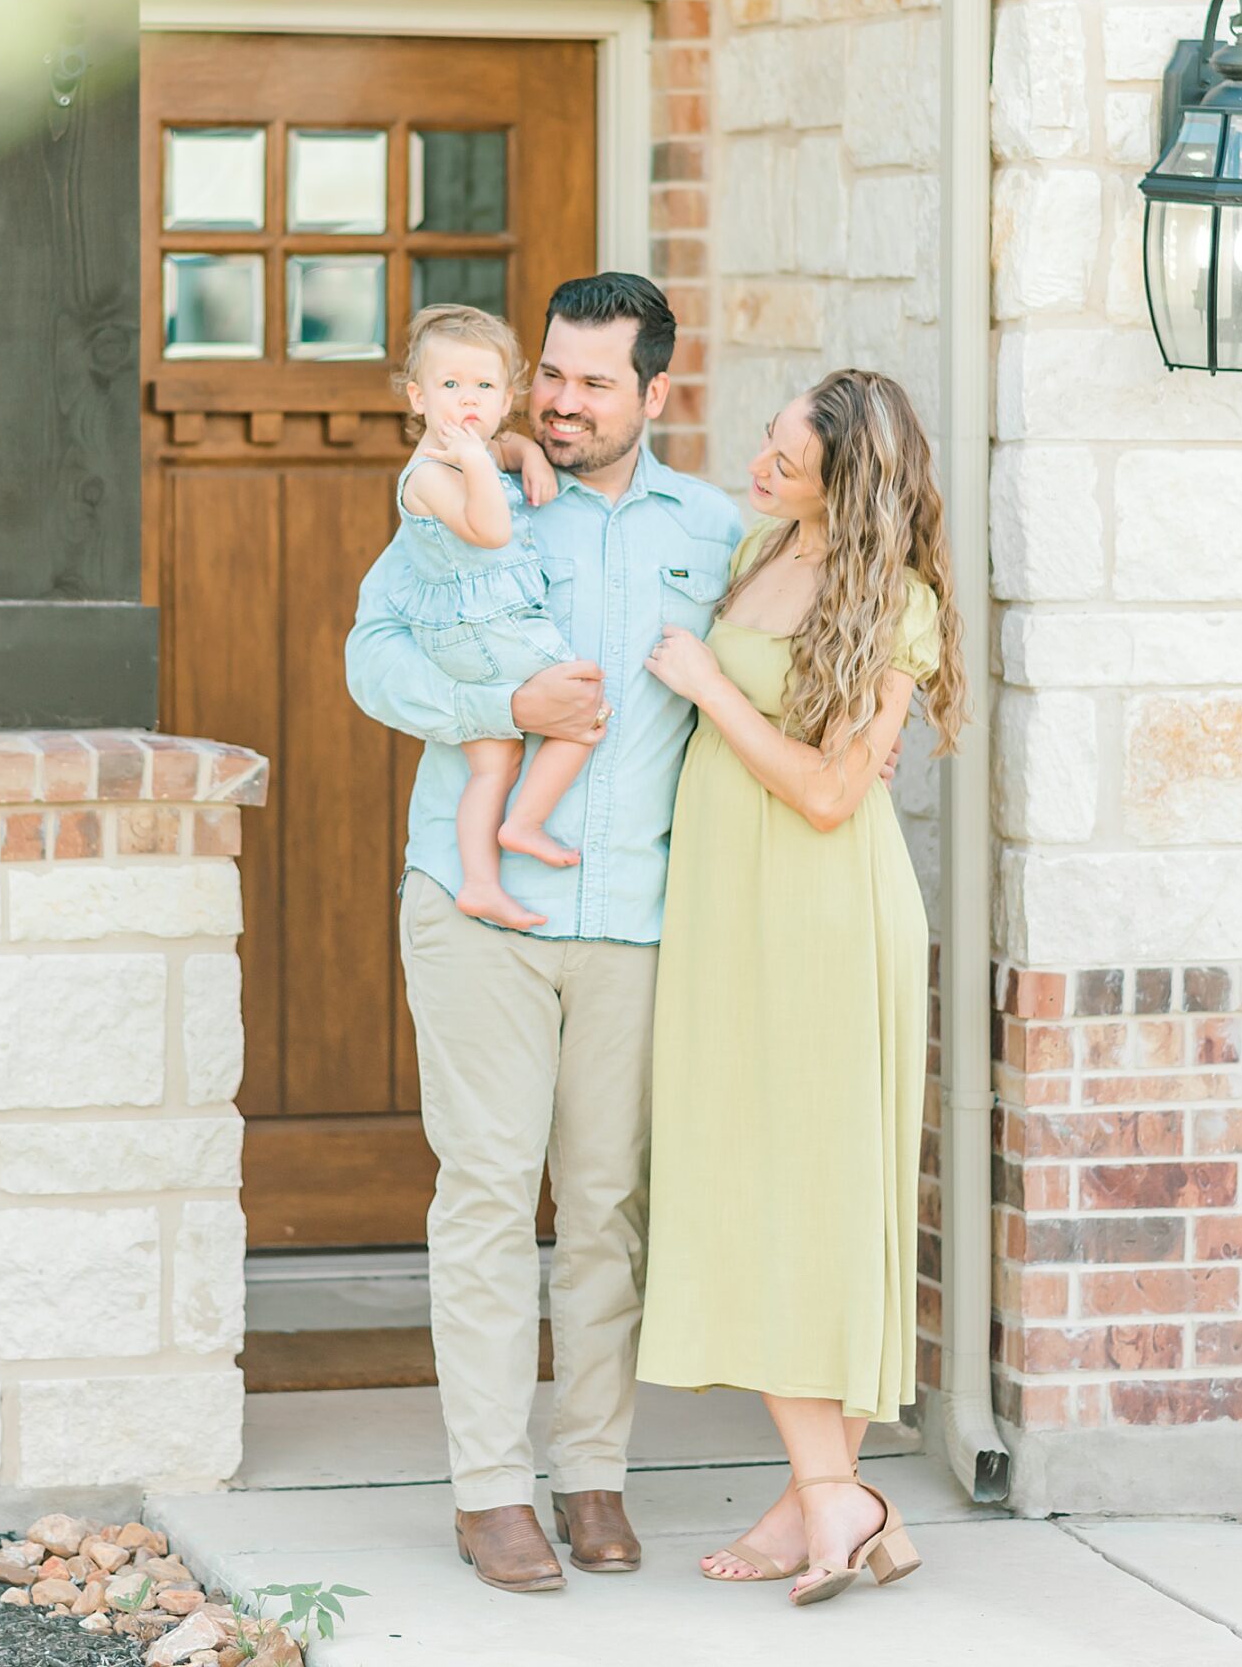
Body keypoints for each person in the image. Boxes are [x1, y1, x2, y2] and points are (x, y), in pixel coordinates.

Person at [346, 273, 741, 1595]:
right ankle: (488, 1488)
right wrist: (499, 690)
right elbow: (372, 651)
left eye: (590, 384)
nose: (561, 405)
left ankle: (593, 1473)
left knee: (608, 1209)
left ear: (654, 394)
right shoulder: (469, 496)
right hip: (474, 912)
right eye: (551, 378)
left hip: (632, 913)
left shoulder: (713, 531)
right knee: (486, 1189)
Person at [637, 369, 967, 1609]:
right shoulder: (758, 548)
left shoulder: (899, 605)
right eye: (767, 444)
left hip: (826, 920)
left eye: (784, 456)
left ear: (847, 480)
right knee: (749, 1178)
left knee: (805, 1196)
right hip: (733, 913)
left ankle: (835, 1497)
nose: (760, 464)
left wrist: (711, 687)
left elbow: (831, 795)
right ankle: (818, 1493)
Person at [389, 302, 591, 932]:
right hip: (483, 632)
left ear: (508, 397)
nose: (467, 401)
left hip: (468, 632)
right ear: (418, 398)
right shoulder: (428, 474)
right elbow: (491, 531)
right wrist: (483, 464)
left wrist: (524, 452)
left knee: (494, 762)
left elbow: (499, 446)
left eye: (484, 387)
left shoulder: (471, 445)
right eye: (450, 386)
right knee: (586, 707)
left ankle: (479, 882)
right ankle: (525, 821)